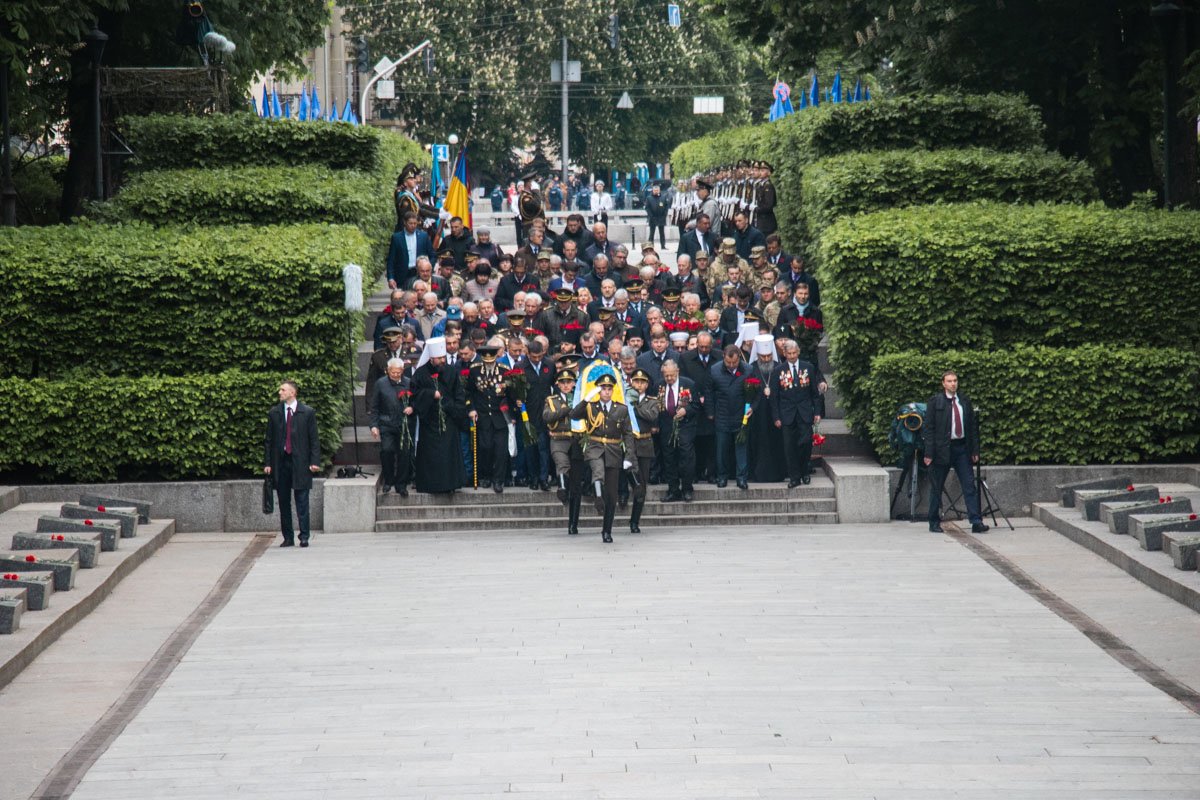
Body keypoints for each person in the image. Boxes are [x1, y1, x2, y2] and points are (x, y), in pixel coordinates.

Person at [570, 373, 637, 543]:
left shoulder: (621, 409)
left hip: (614, 451)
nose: (606, 392)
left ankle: (606, 530)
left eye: (609, 388)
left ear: (613, 390)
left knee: (612, 496)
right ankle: (597, 496)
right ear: (598, 390)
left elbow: (628, 434)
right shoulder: (591, 406)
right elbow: (574, 415)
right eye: (603, 388)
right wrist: (586, 399)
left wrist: (629, 456)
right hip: (595, 447)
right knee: (597, 470)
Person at [923, 370, 988, 534]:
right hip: (942, 449)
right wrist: (929, 453)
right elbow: (929, 429)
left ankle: (976, 521)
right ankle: (934, 521)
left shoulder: (964, 401)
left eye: (955, 381)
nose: (953, 383)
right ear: (943, 383)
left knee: (969, 485)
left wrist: (974, 449)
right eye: (950, 381)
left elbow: (972, 427)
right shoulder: (935, 402)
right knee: (937, 487)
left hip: (961, 449)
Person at [263, 380, 321, 548]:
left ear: (292, 393)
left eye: (283, 390)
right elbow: (268, 440)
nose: (280, 392)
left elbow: (314, 439)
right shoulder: (274, 413)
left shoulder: (307, 412)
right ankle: (287, 536)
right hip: (281, 462)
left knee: (302, 499)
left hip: (300, 461)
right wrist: (268, 463)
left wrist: (314, 461)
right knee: (283, 500)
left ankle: (304, 536)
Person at [411, 337, 467, 493]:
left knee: (448, 454)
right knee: (432, 456)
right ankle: (431, 485)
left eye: (443, 358)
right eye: (439, 358)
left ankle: (450, 485)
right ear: (431, 358)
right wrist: (430, 394)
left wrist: (454, 409)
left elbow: (459, 394)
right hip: (429, 421)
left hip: (449, 418)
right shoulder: (421, 374)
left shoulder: (451, 371)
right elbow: (414, 395)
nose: (442, 361)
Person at [770, 339, 824, 487]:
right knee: (789, 446)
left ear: (798, 352)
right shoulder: (778, 371)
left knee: (805, 443)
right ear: (784, 353)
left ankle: (804, 471)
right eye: (789, 354)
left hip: (805, 412)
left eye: (794, 353)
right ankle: (794, 477)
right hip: (786, 414)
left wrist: (817, 412)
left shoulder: (808, 368)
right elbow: (774, 397)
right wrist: (776, 417)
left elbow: (815, 393)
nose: (792, 356)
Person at [465, 343, 514, 492]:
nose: (488, 364)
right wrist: (471, 409)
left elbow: (511, 394)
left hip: (500, 417)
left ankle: (498, 480)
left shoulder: (505, 371)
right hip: (483, 416)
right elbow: (468, 393)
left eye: (491, 361)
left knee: (500, 450)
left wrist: (512, 414)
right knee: (485, 448)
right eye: (486, 361)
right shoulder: (474, 370)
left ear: (496, 358)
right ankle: (485, 476)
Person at [543, 369, 586, 533]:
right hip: (559, 439)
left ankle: (573, 524)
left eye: (569, 382)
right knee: (562, 464)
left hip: (576, 440)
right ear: (557, 384)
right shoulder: (551, 400)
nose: (566, 385)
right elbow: (547, 417)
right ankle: (561, 488)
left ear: (574, 383)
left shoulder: (580, 398)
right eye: (563, 382)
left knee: (576, 485)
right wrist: (566, 409)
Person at [657, 360, 700, 502]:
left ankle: (687, 489)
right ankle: (673, 490)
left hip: (685, 426)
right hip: (666, 427)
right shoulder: (659, 386)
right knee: (669, 460)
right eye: (666, 376)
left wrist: (685, 410)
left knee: (686, 458)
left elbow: (696, 406)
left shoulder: (689, 384)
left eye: (671, 375)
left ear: (677, 372)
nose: (669, 379)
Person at [370, 358, 415, 496]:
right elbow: (374, 406)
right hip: (386, 423)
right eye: (393, 372)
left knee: (404, 454)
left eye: (398, 372)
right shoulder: (380, 384)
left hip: (404, 424)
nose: (395, 375)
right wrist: (374, 425)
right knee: (387, 450)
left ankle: (401, 484)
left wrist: (412, 407)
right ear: (388, 371)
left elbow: (416, 401)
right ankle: (389, 480)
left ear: (402, 370)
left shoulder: (409, 383)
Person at [709, 345, 748, 490]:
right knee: (721, 450)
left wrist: (751, 409)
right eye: (728, 363)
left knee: (741, 449)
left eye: (735, 363)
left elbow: (754, 394)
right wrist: (711, 412)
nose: (731, 366)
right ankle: (722, 477)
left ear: (739, 358)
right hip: (722, 416)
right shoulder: (715, 370)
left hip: (741, 416)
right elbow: (709, 393)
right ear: (723, 357)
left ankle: (742, 478)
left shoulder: (747, 370)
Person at [626, 367, 659, 532]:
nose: (639, 385)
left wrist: (635, 406)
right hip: (628, 444)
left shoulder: (652, 400)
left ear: (647, 385)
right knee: (627, 475)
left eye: (642, 382)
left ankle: (635, 521)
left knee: (642, 485)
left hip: (644, 444)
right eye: (636, 381)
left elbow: (652, 416)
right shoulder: (624, 399)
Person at [386, 212, 435, 290]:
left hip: (419, 273)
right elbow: (391, 260)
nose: (413, 226)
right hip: (402, 275)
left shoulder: (423, 236)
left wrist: (428, 267)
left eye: (415, 223)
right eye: (410, 223)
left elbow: (432, 255)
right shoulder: (397, 238)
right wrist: (391, 278)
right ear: (405, 222)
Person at [644, 183, 669, 250]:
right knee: (651, 233)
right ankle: (650, 246)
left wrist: (664, 215)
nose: (656, 191)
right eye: (655, 190)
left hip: (661, 217)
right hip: (653, 218)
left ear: (659, 190)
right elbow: (647, 208)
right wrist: (651, 216)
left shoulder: (663, 197)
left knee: (662, 232)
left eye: (657, 190)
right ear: (652, 190)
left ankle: (663, 246)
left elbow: (666, 206)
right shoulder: (649, 198)